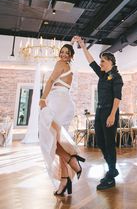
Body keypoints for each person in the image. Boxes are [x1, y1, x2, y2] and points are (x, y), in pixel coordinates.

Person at [74, 36, 123, 190]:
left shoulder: (116, 77)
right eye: (101, 61)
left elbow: (117, 98)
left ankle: (111, 174)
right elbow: (91, 62)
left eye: (103, 61)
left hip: (110, 111)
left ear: (110, 62)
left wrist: (112, 115)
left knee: (109, 143)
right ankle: (112, 169)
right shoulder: (102, 74)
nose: (100, 63)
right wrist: (83, 45)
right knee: (101, 142)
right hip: (100, 110)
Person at [38, 43, 85, 196]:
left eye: (67, 52)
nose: (64, 54)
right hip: (65, 103)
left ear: (71, 56)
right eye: (62, 52)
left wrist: (43, 98)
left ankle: (73, 161)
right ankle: (65, 181)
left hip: (58, 102)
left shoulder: (60, 64)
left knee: (50, 139)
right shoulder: (69, 68)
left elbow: (51, 81)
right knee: (59, 142)